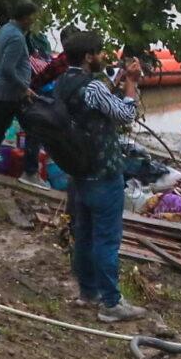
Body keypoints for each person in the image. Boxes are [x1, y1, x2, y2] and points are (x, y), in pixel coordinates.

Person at [51, 29, 145, 323]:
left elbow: (91, 113)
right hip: (103, 172)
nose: (105, 56)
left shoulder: (64, 81)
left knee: (85, 235)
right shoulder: (93, 86)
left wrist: (113, 86)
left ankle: (87, 292)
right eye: (101, 52)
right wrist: (131, 83)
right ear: (89, 56)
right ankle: (111, 304)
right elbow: (126, 115)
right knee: (107, 239)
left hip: (79, 170)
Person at [0, 0, 43, 179]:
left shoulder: (5, 29)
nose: (33, 21)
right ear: (24, 18)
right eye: (32, 17)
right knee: (34, 129)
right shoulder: (16, 37)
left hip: (0, 92)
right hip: (11, 94)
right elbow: (7, 69)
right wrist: (25, 88)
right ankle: (30, 172)